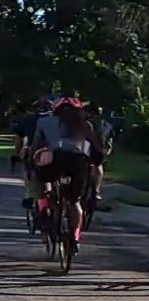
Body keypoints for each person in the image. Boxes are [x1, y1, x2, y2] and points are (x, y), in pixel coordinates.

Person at [26, 98, 100, 237]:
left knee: (38, 178)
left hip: (55, 160)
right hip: (78, 162)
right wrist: (96, 161)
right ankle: (75, 237)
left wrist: (31, 160)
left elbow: (36, 144)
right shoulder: (85, 125)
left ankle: (43, 209)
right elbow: (96, 149)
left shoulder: (44, 122)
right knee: (75, 201)